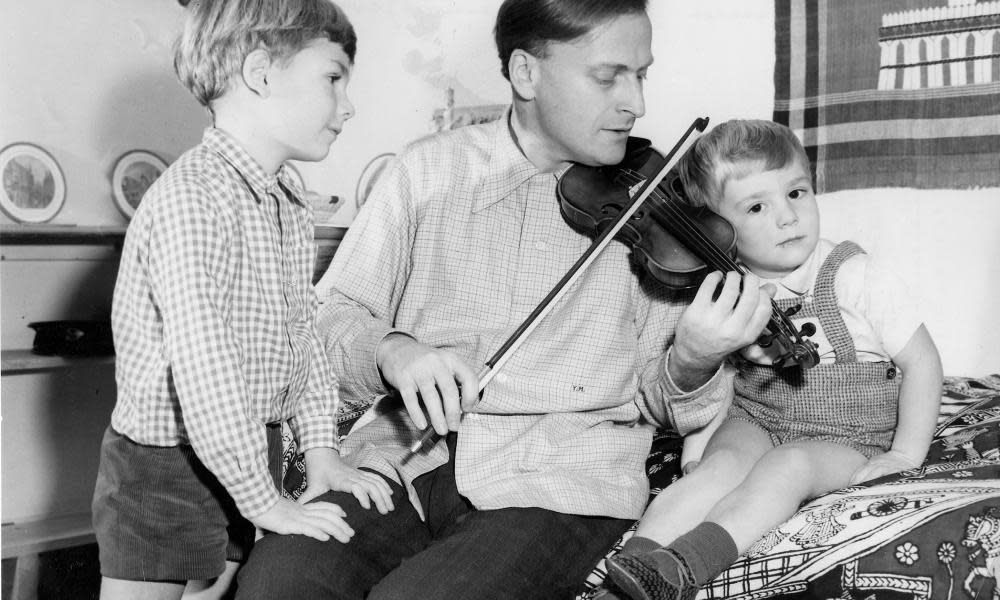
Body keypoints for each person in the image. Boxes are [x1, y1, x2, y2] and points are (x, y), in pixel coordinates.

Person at [235, 2, 778, 599]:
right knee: (278, 578)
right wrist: (392, 350)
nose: (636, 103)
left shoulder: (658, 219)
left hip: (561, 484)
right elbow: (331, 317)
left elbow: (665, 404)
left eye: (641, 75)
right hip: (405, 460)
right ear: (525, 73)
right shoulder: (427, 172)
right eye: (608, 76)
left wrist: (694, 360)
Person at [91, 2, 393, 599]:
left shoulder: (286, 200)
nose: (349, 105)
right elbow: (207, 375)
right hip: (164, 465)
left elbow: (302, 338)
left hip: (244, 450)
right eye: (333, 77)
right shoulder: (193, 200)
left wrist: (321, 450)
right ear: (260, 73)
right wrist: (265, 503)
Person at [599, 119, 944, 600]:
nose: (787, 216)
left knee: (787, 466)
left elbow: (923, 363)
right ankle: (630, 573)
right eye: (757, 206)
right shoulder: (729, 288)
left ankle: (681, 567)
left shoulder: (855, 274)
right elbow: (724, 370)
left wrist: (904, 454)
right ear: (714, 228)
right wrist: (699, 446)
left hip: (848, 435)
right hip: (757, 415)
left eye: (797, 193)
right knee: (719, 469)